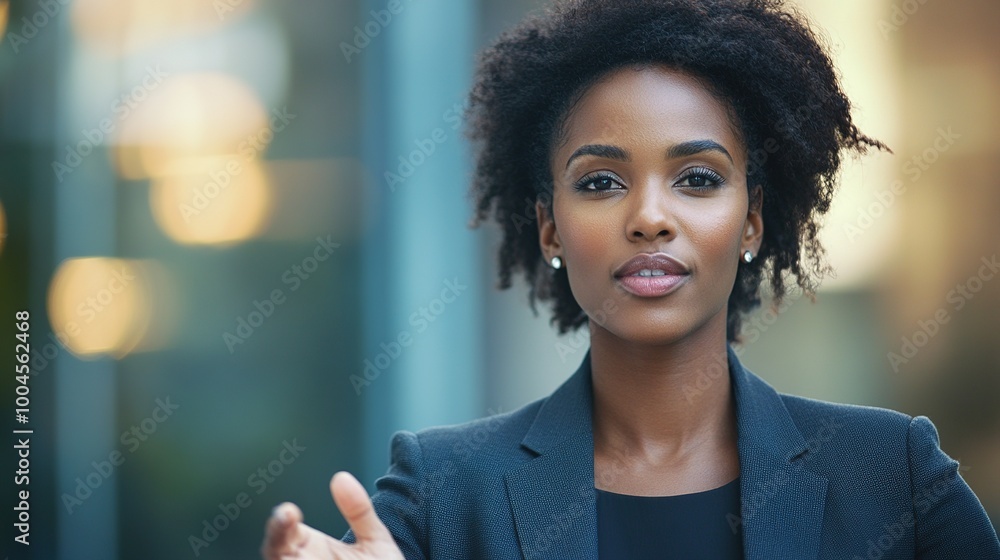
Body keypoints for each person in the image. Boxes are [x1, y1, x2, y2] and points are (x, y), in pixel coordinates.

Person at [261, 0, 1000, 558]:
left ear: (752, 221)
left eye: (699, 178)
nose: (649, 217)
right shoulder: (442, 493)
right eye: (602, 182)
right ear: (549, 227)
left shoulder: (894, 476)